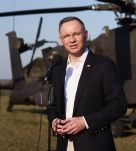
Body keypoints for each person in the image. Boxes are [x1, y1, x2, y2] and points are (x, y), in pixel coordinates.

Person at [51, 16, 127, 151]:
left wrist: (85, 122)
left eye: (76, 34)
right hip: (64, 145)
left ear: (86, 35)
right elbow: (52, 106)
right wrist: (54, 121)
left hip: (94, 145)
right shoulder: (58, 70)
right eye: (67, 36)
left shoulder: (104, 66)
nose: (72, 40)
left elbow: (119, 105)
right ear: (61, 40)